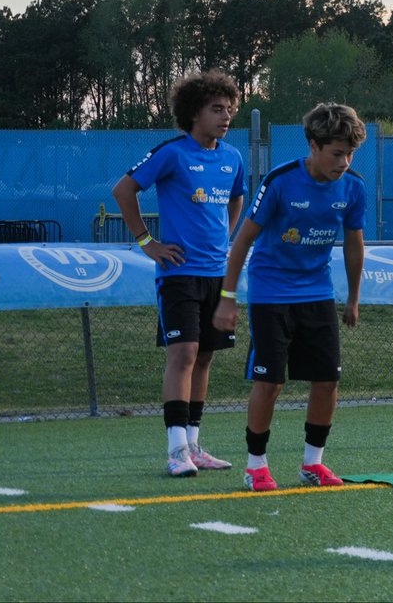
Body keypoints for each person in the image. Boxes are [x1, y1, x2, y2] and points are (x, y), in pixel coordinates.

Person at [212, 103, 367, 492]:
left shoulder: (353, 188)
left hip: (317, 295)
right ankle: (256, 466)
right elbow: (243, 240)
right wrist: (228, 298)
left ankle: (313, 464)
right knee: (271, 384)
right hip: (270, 295)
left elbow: (354, 245)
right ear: (313, 146)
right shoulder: (280, 181)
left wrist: (352, 298)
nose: (344, 161)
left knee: (327, 381)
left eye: (350, 153)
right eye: (336, 153)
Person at [111, 71, 244, 478]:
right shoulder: (172, 153)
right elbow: (123, 190)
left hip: (217, 275)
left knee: (204, 358)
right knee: (183, 354)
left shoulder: (232, 157)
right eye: (216, 109)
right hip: (178, 275)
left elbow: (236, 198)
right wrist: (146, 242)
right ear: (193, 113)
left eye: (230, 110)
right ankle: (174, 451)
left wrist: (226, 239)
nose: (225, 117)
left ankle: (195, 445)